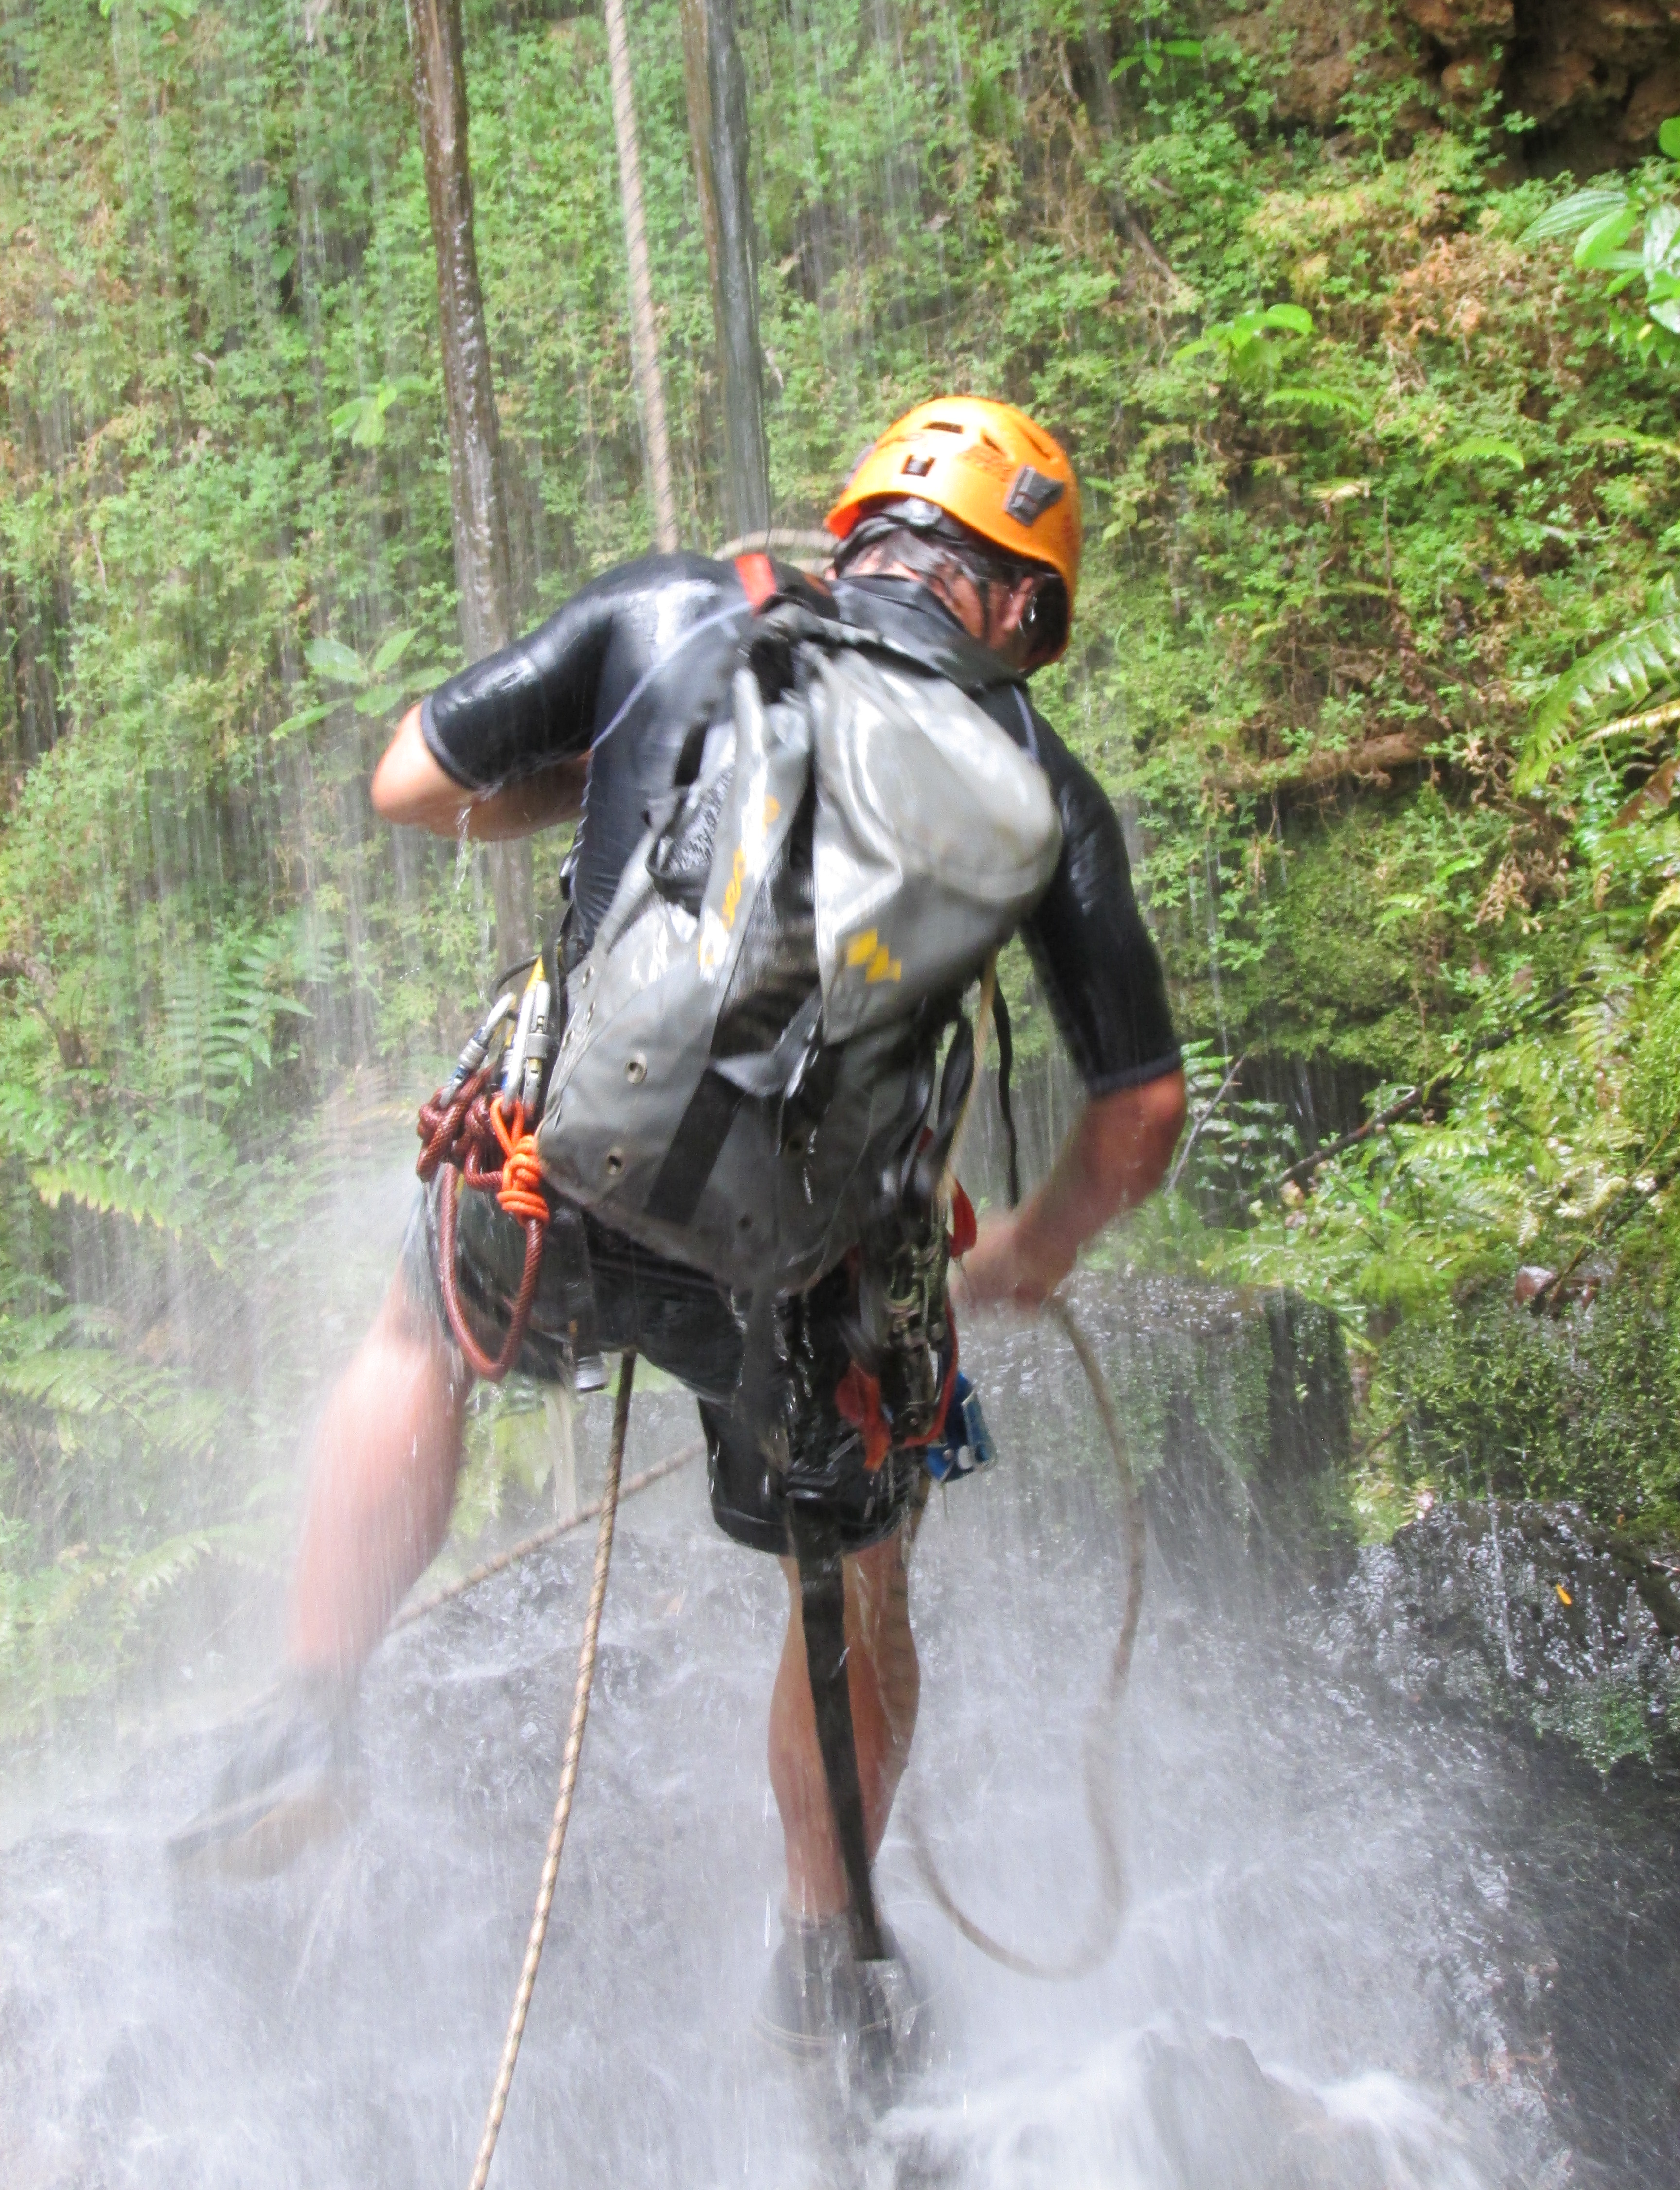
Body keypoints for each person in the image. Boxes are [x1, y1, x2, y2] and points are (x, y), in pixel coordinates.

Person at [188, 397, 1185, 2061]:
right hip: (815, 1288)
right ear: (1016, 602)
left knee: (418, 1334)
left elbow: (407, 784)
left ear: (862, 530)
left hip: (561, 1185)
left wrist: (586, 796)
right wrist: (1027, 1253)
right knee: (860, 1572)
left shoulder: (677, 610)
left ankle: (309, 1719)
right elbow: (1142, 1112)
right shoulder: (1038, 783)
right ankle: (828, 1954)